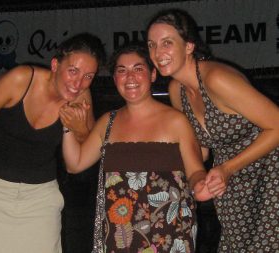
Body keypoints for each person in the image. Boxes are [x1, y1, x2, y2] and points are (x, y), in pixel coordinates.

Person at [0, 32, 105, 253]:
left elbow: (78, 158)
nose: (78, 83)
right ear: (55, 64)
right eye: (73, 71)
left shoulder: (81, 98)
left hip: (39, 199)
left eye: (89, 76)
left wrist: (79, 131)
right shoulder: (21, 80)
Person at [61, 43, 226, 253]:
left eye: (138, 69)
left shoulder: (176, 121)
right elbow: (74, 164)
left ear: (153, 75)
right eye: (122, 71)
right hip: (120, 238)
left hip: (169, 234)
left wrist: (201, 185)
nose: (130, 77)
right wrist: (68, 126)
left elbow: (195, 170)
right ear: (115, 79)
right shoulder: (108, 122)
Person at [146, 8, 279, 252]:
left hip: (270, 175)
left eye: (167, 43)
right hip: (233, 187)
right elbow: (201, 151)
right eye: (152, 45)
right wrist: (197, 179)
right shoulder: (178, 91)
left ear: (189, 46)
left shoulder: (216, 78)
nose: (157, 53)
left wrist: (228, 168)